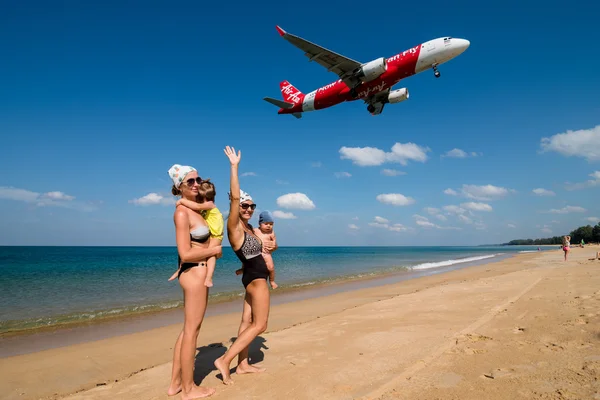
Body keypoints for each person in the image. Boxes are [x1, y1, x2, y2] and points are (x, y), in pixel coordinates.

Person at [213, 146, 275, 385]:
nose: (248, 209)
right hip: (257, 280)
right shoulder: (234, 225)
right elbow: (236, 197)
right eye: (244, 205)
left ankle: (242, 364)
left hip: (251, 275)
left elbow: (253, 253)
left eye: (252, 206)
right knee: (261, 324)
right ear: (235, 206)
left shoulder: (249, 228)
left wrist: (267, 248)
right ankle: (225, 360)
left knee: (247, 322)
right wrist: (234, 167)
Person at [166, 164, 221, 399]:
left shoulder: (196, 210)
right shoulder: (181, 213)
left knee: (188, 329)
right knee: (192, 331)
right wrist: (214, 251)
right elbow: (186, 252)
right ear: (179, 187)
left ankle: (175, 384)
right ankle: (189, 389)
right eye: (190, 181)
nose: (196, 183)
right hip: (195, 272)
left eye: (197, 179)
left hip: (196, 272)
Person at [168, 179, 224, 288]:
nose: (201, 202)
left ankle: (209, 277)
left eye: (201, 199)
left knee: (211, 254)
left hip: (216, 235)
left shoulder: (210, 204)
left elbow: (197, 207)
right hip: (211, 233)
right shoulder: (204, 207)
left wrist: (181, 201)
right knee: (206, 253)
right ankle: (179, 269)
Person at [236, 211, 279, 289]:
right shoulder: (255, 230)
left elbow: (274, 243)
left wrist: (274, 245)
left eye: (271, 224)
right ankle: (243, 269)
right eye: (266, 224)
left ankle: (272, 281)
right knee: (247, 260)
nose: (269, 226)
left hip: (266, 254)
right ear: (260, 223)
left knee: (271, 267)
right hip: (256, 253)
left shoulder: (271, 233)